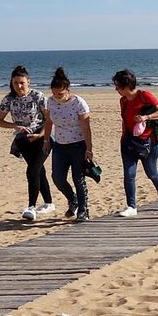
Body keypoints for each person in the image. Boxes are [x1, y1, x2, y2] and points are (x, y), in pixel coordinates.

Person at [0, 65, 54, 221]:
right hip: (23, 141)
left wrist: (41, 134)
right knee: (38, 171)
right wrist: (14, 126)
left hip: (42, 138)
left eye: (22, 82)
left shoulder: (37, 96)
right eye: (15, 83)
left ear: (28, 82)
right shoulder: (9, 99)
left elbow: (50, 118)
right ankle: (48, 203)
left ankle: (31, 207)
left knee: (32, 171)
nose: (19, 86)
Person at [112, 69, 158, 217]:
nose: (116, 89)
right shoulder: (123, 101)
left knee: (152, 173)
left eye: (117, 86)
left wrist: (146, 117)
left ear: (126, 86)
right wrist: (123, 137)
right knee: (129, 175)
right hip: (129, 142)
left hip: (149, 142)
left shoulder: (144, 96)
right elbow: (125, 120)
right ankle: (131, 207)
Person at [41, 67, 94, 223]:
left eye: (61, 94)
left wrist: (89, 149)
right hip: (59, 145)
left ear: (68, 90)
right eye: (55, 94)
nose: (57, 97)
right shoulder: (50, 102)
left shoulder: (78, 103)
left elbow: (86, 127)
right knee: (57, 177)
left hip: (78, 145)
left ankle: (83, 211)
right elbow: (49, 122)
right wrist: (46, 141)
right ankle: (73, 200)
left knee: (78, 178)